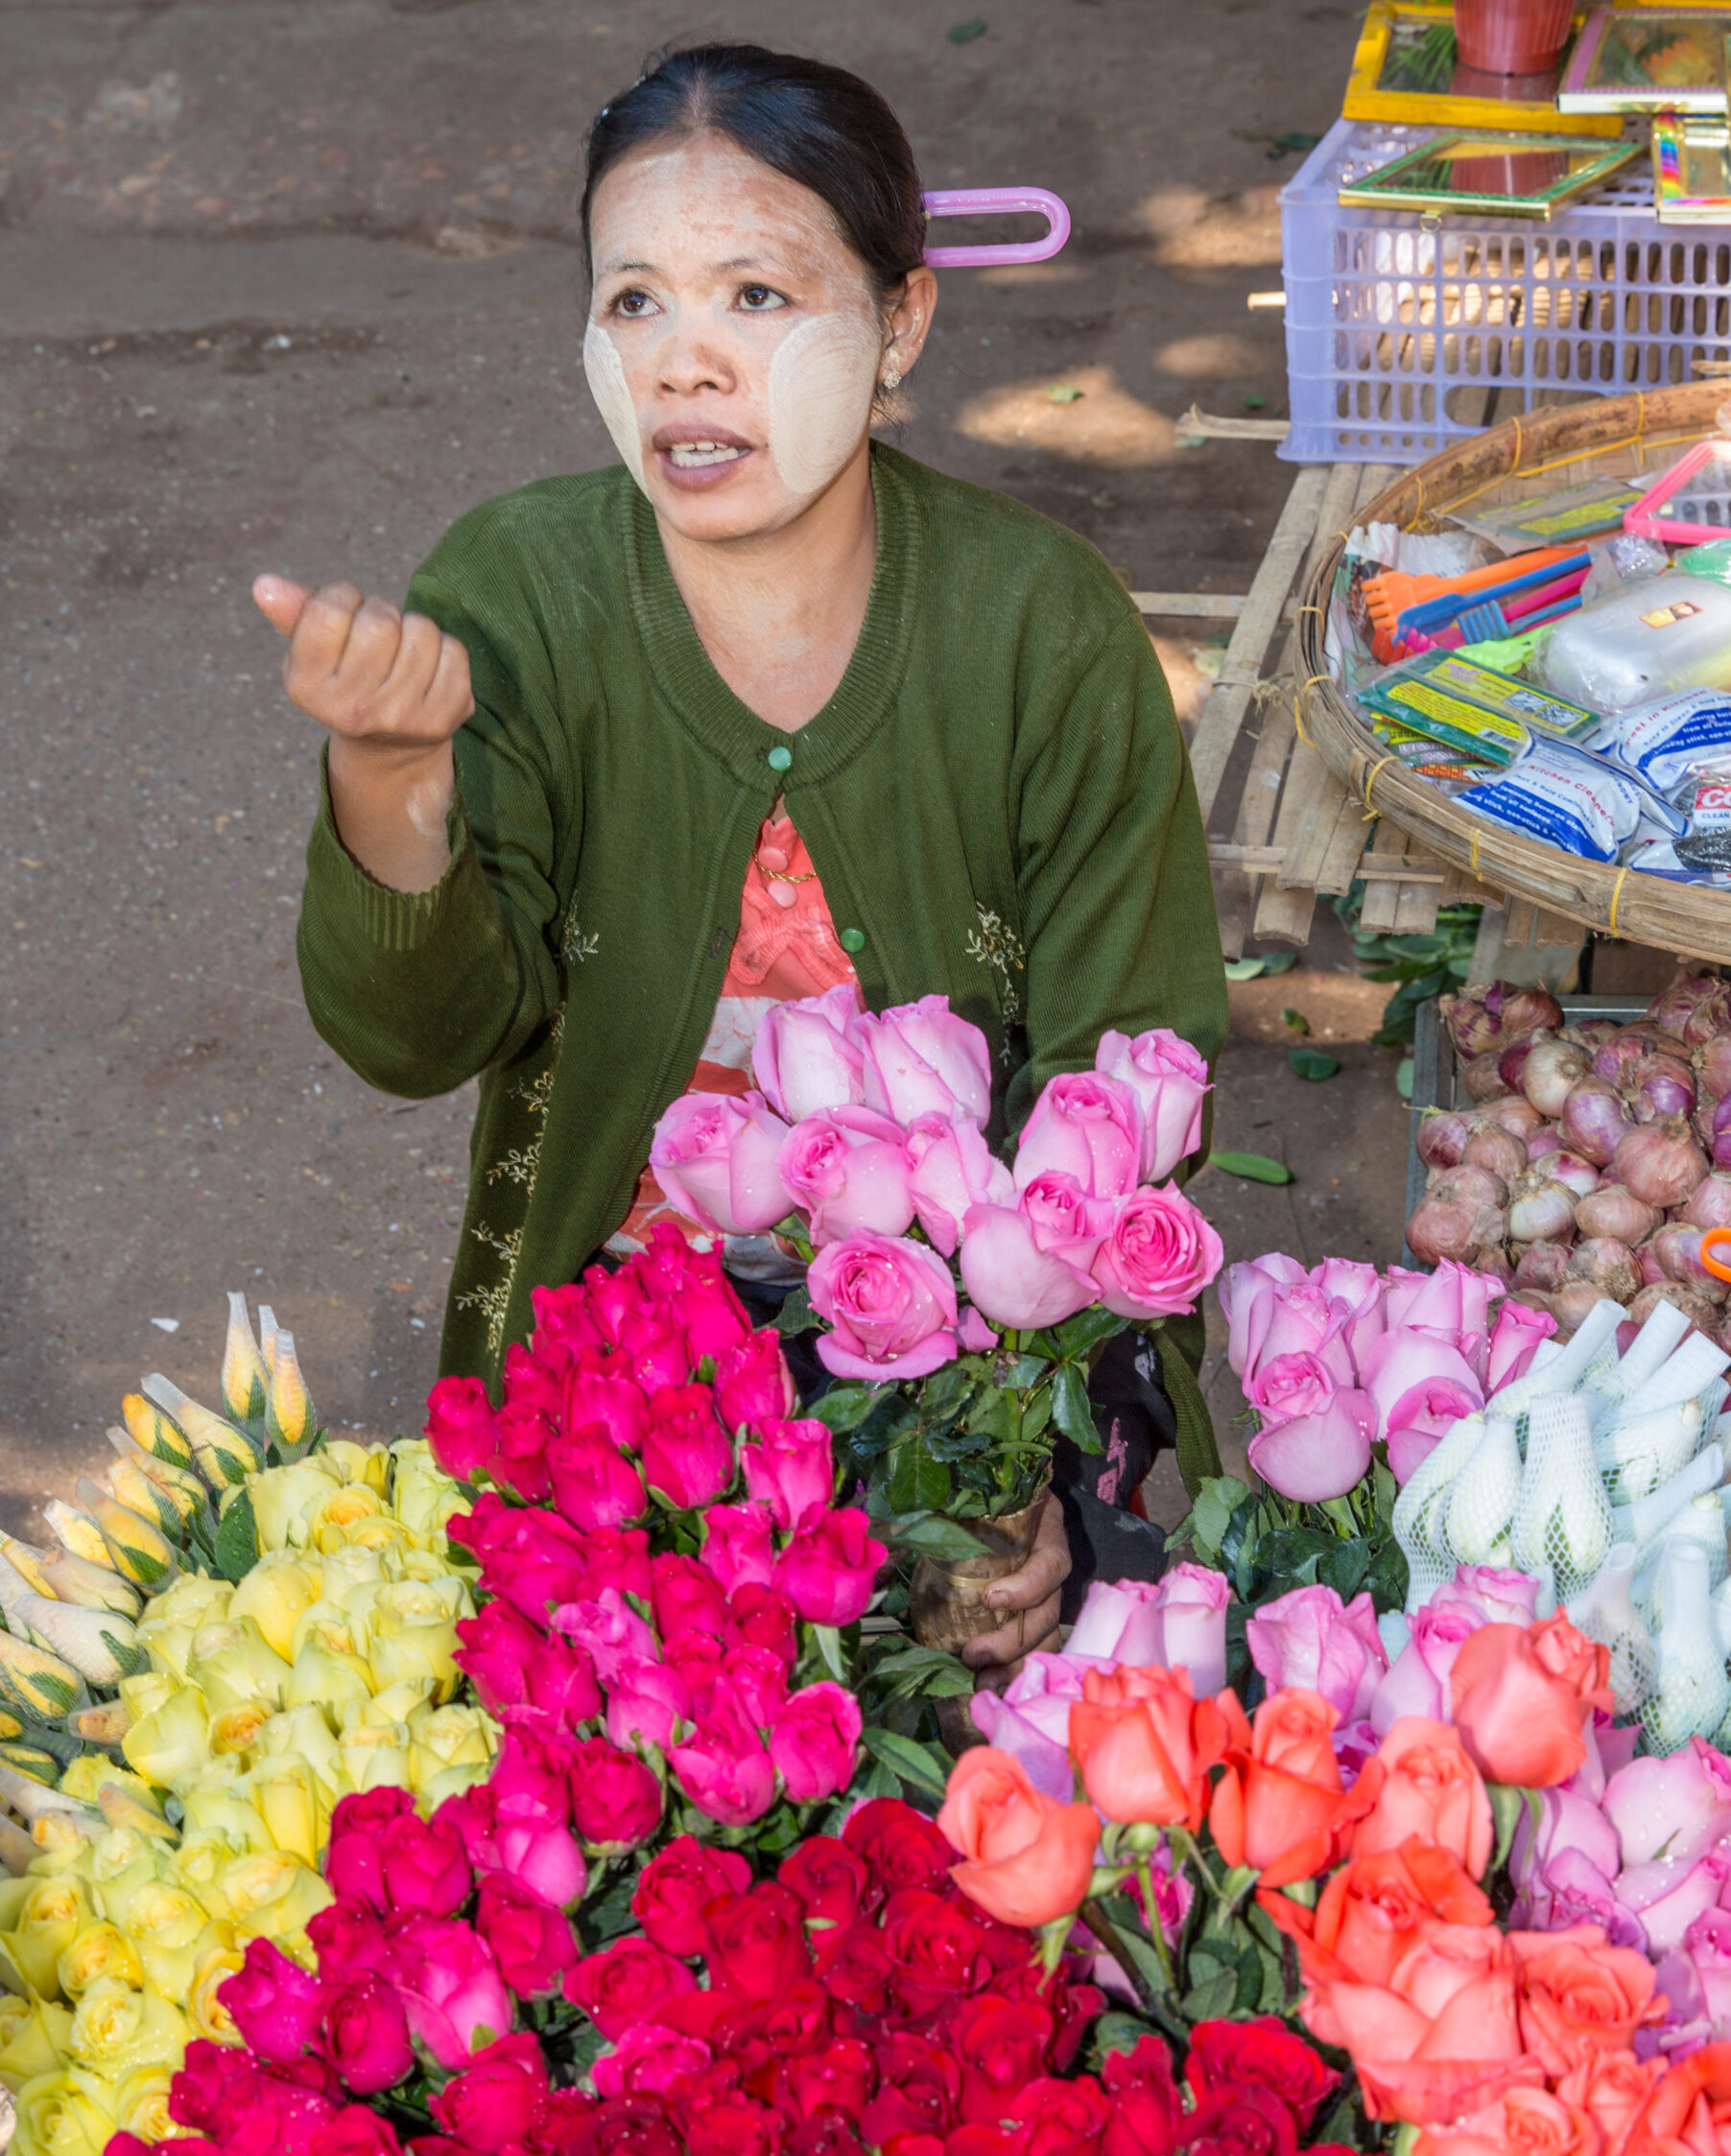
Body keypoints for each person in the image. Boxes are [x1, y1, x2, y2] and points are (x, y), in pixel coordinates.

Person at [256, 42, 1227, 1682]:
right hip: (614, 1379)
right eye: (633, 301)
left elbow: (1129, 1083)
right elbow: (413, 1041)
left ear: (902, 322)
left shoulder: (1039, 627)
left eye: (758, 297)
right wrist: (390, 774)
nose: (685, 362)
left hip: (977, 1374)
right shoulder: (518, 593)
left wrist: (1006, 1475)